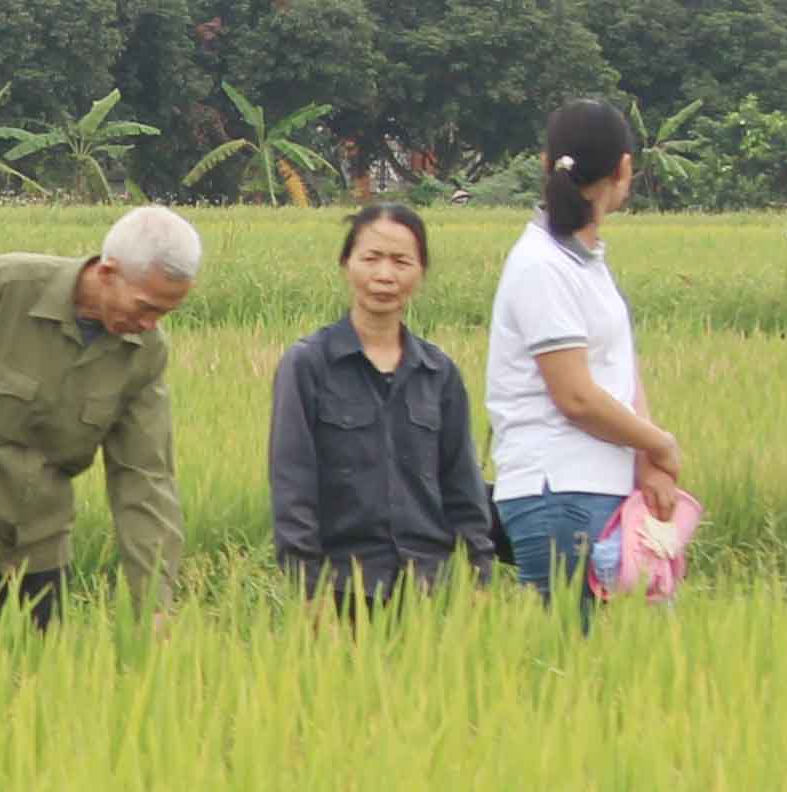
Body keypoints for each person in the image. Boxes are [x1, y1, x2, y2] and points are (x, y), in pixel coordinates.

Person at [0, 206, 201, 624]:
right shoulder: (4, 287)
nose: (150, 325)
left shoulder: (145, 353)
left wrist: (152, 600)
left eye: (164, 315)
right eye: (146, 307)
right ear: (107, 273)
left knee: (34, 680)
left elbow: (145, 476)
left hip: (40, 544)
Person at [484, 99, 683, 599]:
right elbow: (574, 396)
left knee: (602, 667)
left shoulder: (585, 259)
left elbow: (618, 368)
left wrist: (645, 458)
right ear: (624, 169)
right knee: (569, 664)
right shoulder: (541, 264)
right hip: (558, 492)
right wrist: (659, 443)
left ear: (545, 165)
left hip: (598, 490)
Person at [267, 201, 496, 601]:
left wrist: (478, 577)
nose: (385, 276)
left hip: (430, 590)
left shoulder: (438, 373)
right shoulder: (308, 365)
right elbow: (292, 489)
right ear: (346, 264)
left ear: (421, 272)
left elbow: (463, 486)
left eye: (401, 261)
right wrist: (310, 595)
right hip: (342, 587)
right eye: (371, 258)